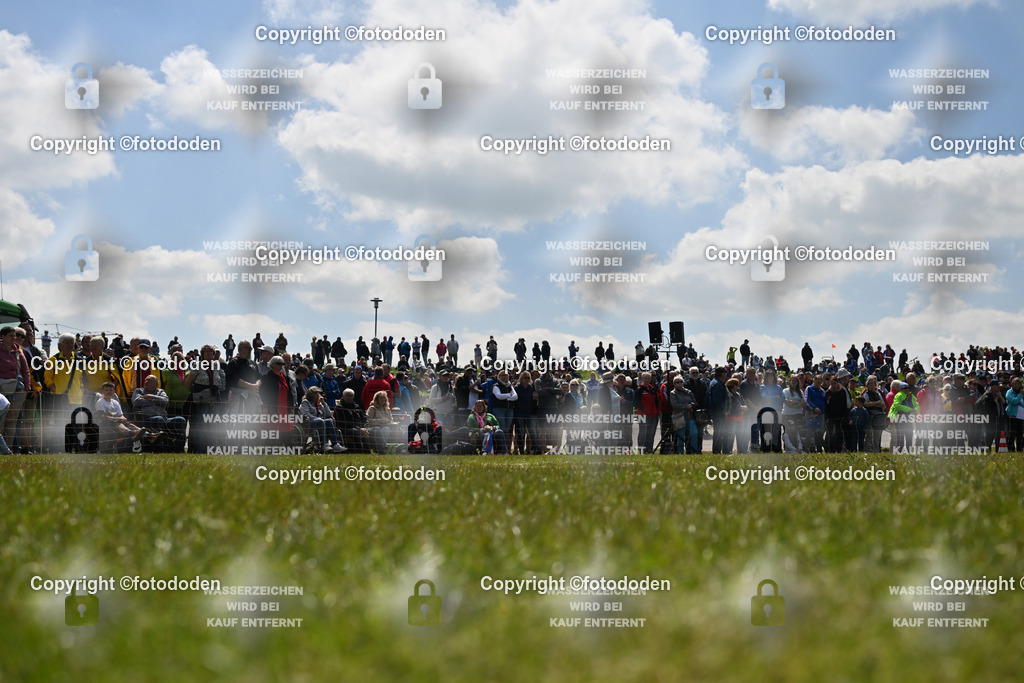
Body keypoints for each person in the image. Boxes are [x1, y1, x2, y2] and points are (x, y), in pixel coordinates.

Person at [186, 344, 226, 452]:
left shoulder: (217, 365)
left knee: (213, 426)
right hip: (201, 399)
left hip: (214, 399)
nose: (209, 353)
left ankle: (212, 450)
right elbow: (188, 383)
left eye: (211, 351)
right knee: (200, 426)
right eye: (206, 351)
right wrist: (196, 392)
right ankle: (198, 450)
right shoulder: (197, 365)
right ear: (202, 354)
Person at [132, 375, 187, 450]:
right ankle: (158, 447)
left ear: (156, 384)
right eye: (145, 380)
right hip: (146, 418)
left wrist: (150, 396)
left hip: (164, 419)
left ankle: (178, 448)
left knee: (180, 420)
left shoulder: (160, 391)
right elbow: (136, 402)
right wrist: (156, 402)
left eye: (149, 380)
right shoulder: (139, 391)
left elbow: (165, 401)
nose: (146, 382)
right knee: (158, 419)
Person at [94, 381, 149, 451]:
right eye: (106, 390)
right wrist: (119, 419)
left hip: (116, 421)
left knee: (127, 422)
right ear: (102, 391)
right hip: (105, 423)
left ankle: (145, 433)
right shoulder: (100, 402)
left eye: (110, 390)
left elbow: (121, 415)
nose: (108, 392)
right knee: (118, 422)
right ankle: (131, 432)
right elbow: (103, 417)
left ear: (114, 391)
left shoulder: (115, 402)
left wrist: (123, 419)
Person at [299, 387, 344, 452]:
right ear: (312, 395)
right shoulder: (305, 402)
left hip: (320, 421)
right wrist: (316, 418)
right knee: (320, 421)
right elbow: (305, 414)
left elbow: (328, 414)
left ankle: (335, 444)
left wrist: (324, 403)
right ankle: (324, 444)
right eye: (317, 394)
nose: (319, 395)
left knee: (328, 421)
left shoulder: (319, 403)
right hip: (309, 422)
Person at [259, 356, 295, 436]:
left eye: (282, 364)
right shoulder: (267, 377)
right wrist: (265, 406)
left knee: (285, 433)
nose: (281, 366)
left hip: (284, 408)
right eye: (279, 363)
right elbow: (262, 392)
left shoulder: (285, 377)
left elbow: (290, 393)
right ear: (272, 364)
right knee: (272, 432)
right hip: (273, 408)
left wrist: (291, 407)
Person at [335, 388, 372, 452]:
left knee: (371, 430)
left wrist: (364, 427)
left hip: (359, 428)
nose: (350, 398)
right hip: (345, 429)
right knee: (355, 431)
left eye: (351, 396)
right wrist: (358, 429)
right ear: (343, 396)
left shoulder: (356, 407)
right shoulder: (339, 408)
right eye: (348, 396)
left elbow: (363, 418)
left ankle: (372, 450)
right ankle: (360, 450)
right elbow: (342, 423)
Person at [670, 374, 699, 454]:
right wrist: (686, 406)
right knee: (681, 436)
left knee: (694, 433)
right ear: (674, 384)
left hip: (690, 416)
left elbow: (695, 402)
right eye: (677, 382)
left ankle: (694, 451)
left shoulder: (688, 392)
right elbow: (674, 404)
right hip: (679, 417)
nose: (679, 383)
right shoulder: (673, 393)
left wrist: (692, 405)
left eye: (681, 381)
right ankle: (681, 452)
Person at [512, 370, 538, 454]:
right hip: (519, 413)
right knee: (521, 433)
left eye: (528, 378)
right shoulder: (517, 388)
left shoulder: (531, 387)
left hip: (529, 412)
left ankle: (535, 450)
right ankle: (521, 451)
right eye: (525, 377)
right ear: (521, 378)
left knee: (531, 432)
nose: (526, 379)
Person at [887, 382, 919, 452]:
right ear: (901, 389)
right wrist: (910, 409)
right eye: (904, 388)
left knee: (909, 434)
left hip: (908, 417)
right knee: (900, 436)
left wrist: (915, 410)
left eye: (908, 388)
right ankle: (899, 452)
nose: (907, 389)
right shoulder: (899, 395)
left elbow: (917, 404)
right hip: (899, 417)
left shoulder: (911, 395)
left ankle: (909, 451)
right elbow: (897, 406)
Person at [861, 375, 887, 453]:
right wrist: (876, 403)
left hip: (878, 416)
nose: (872, 384)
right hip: (870, 416)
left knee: (877, 435)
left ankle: (876, 451)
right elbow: (865, 404)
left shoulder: (878, 393)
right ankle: (868, 451)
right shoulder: (866, 394)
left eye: (873, 383)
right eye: (870, 383)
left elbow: (882, 403)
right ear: (867, 384)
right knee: (869, 434)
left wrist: (872, 403)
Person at [721, 378, 747, 454]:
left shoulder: (738, 394)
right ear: (732, 385)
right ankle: (729, 451)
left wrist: (744, 408)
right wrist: (739, 408)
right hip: (731, 417)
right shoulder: (728, 394)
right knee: (730, 435)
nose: (738, 386)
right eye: (736, 384)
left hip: (740, 417)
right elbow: (729, 407)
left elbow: (745, 404)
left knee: (740, 435)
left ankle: (740, 451)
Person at [707, 367, 729, 454]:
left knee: (721, 432)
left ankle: (720, 450)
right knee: (719, 432)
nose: (726, 374)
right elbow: (717, 400)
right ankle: (716, 451)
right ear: (721, 373)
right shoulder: (717, 384)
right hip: (718, 413)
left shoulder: (716, 382)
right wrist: (724, 410)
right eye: (725, 372)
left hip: (718, 412)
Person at [1004, 377, 1024, 452]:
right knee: (1012, 434)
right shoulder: (1009, 392)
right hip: (1012, 415)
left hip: (1021, 416)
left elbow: (1020, 403)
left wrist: (1019, 402)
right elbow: (1014, 401)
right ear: (1012, 384)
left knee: (1020, 434)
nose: (1017, 385)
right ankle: (1010, 449)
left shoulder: (1022, 392)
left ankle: (1019, 449)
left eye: (1018, 384)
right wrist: (1020, 395)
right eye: (1015, 384)